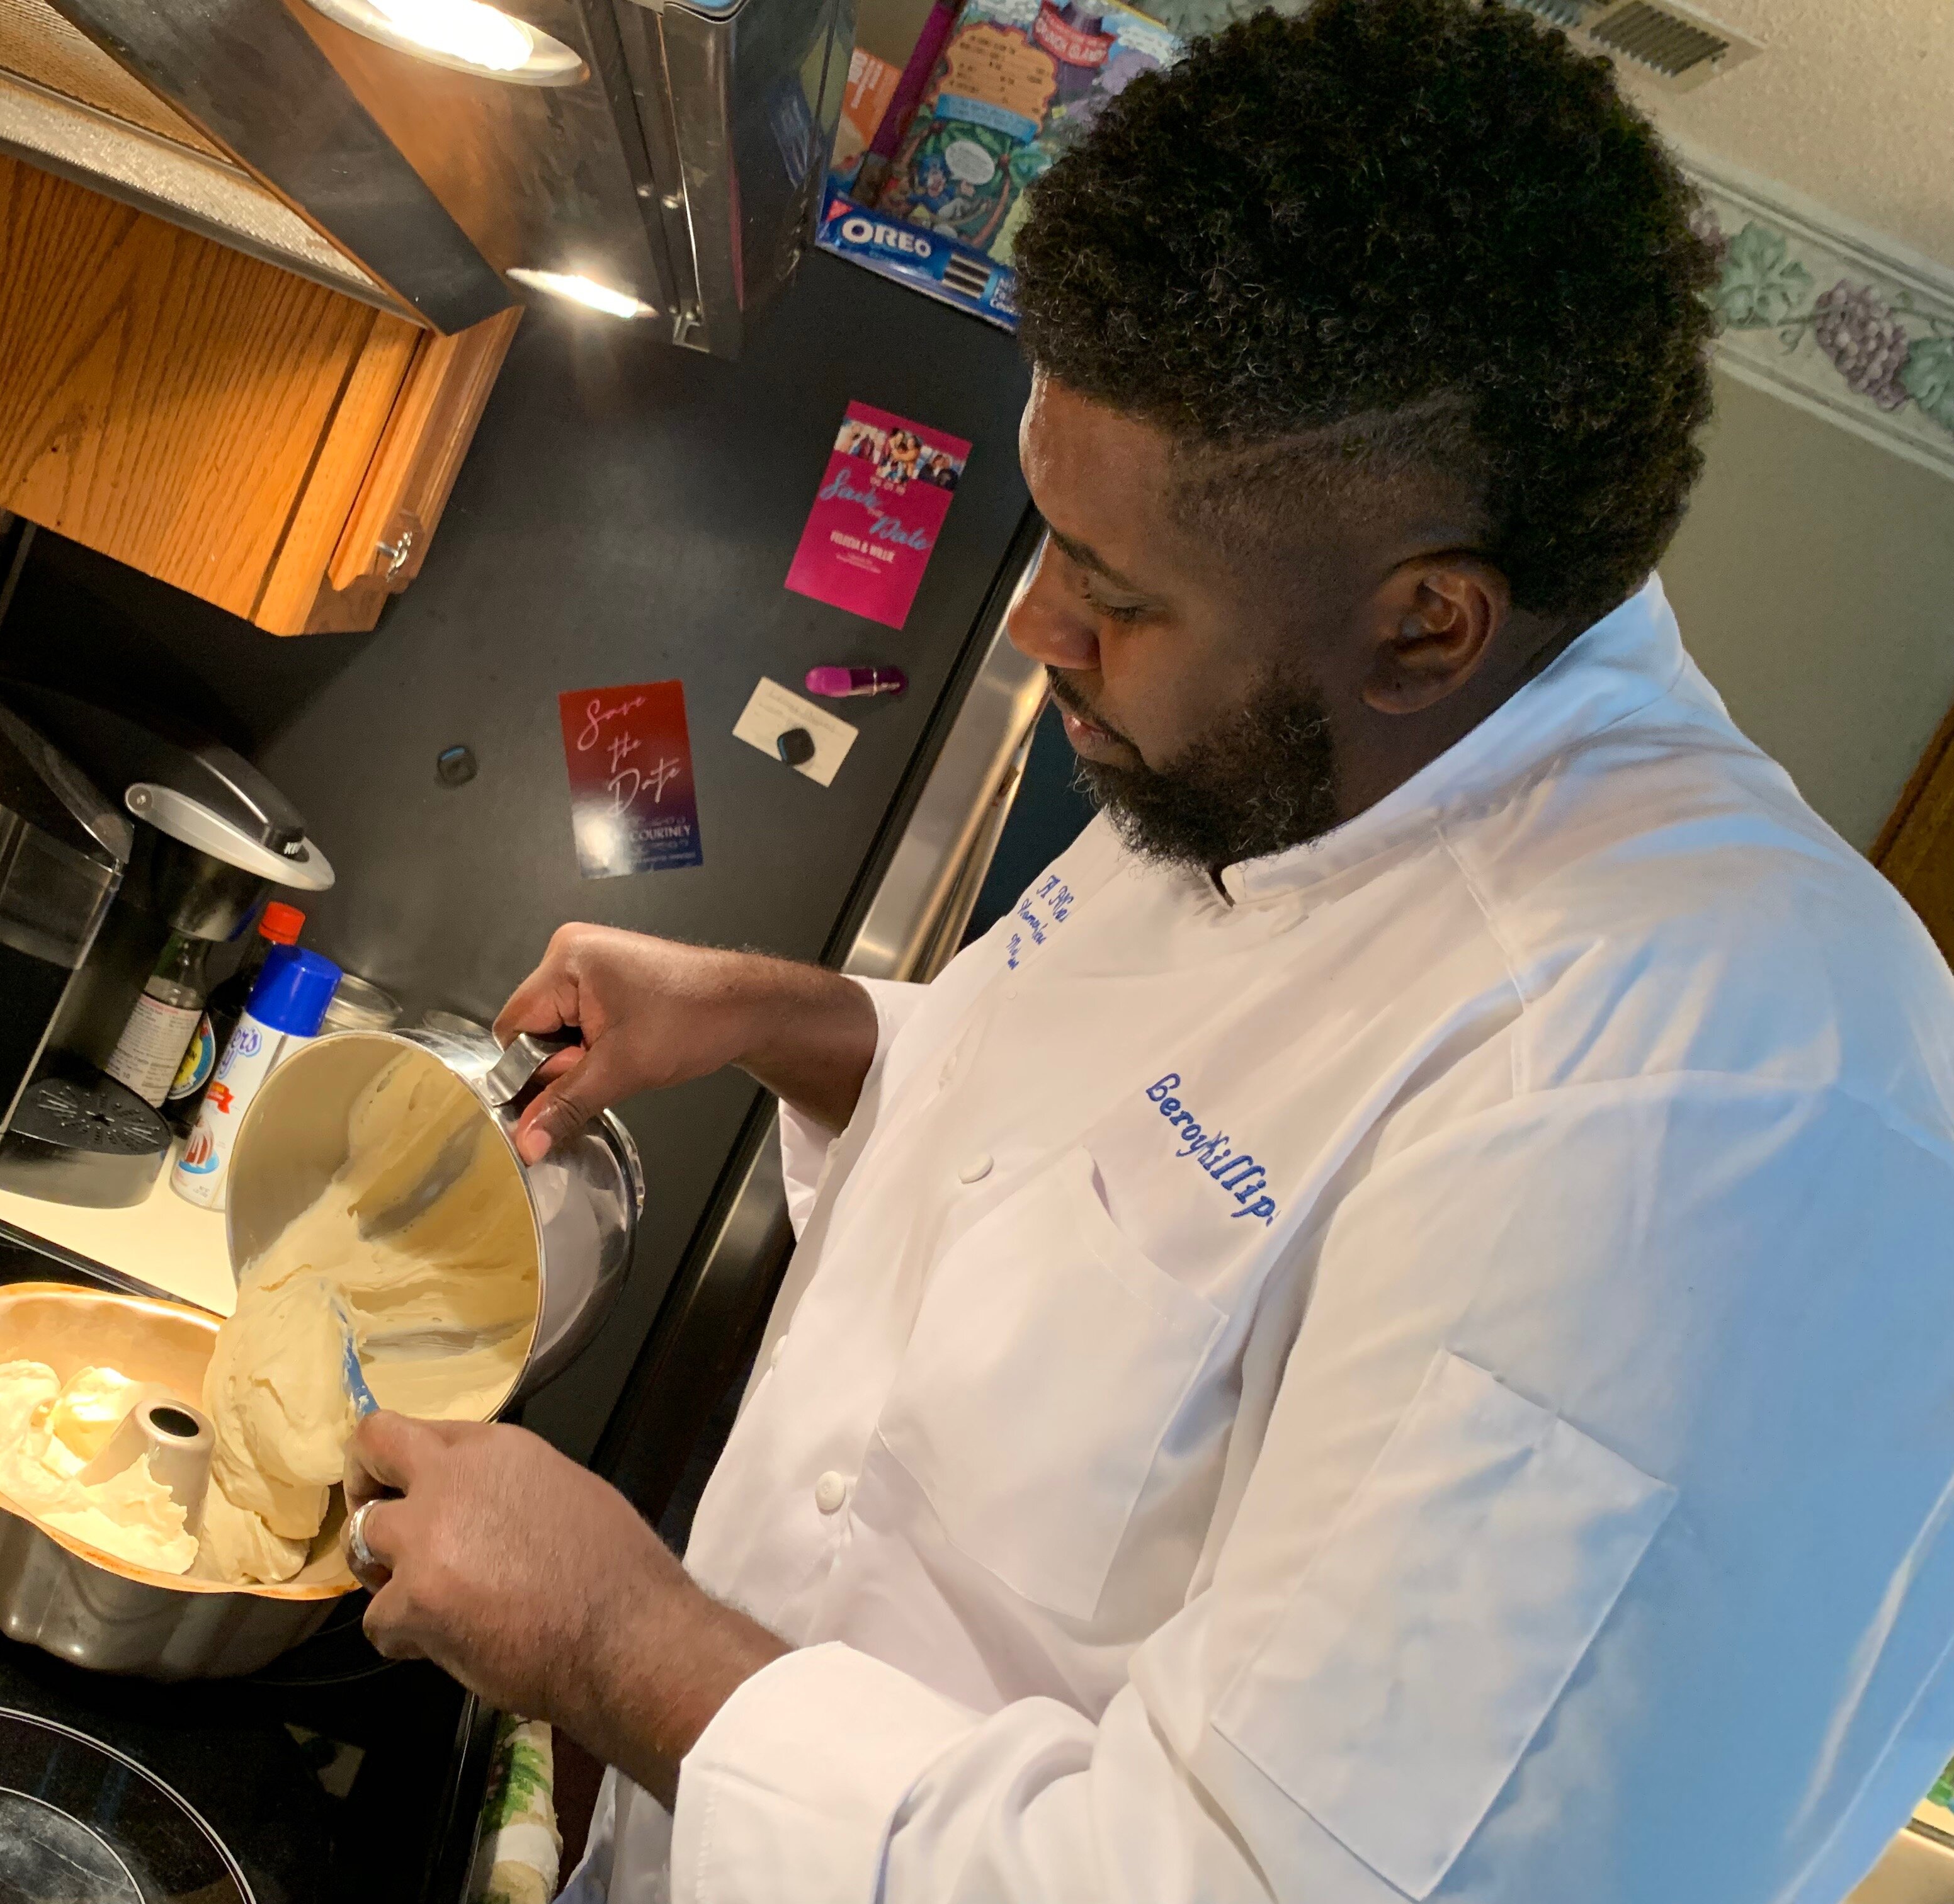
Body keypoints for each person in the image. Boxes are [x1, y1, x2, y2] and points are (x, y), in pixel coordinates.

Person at [339, 1, 1954, 1898]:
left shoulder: (1700, 1106)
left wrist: (621, 1643)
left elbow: (1255, 1886)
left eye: (1111, 594)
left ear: (1429, 626)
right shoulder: (1306, 745)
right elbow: (1124, 1165)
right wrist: (797, 1023)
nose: (1034, 624)